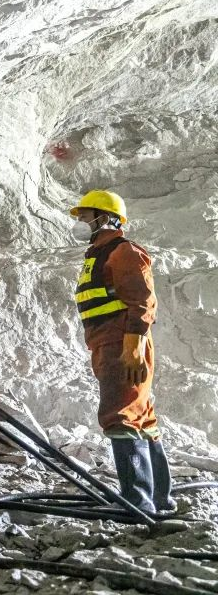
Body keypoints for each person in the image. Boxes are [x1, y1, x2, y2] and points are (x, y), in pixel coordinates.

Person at [70, 190, 175, 515]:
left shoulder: (123, 251)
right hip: (109, 342)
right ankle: (158, 498)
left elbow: (143, 303)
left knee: (121, 415)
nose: (80, 222)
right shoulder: (98, 254)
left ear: (105, 218)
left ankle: (137, 501)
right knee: (140, 416)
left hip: (122, 344)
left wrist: (133, 346)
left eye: (86, 216)